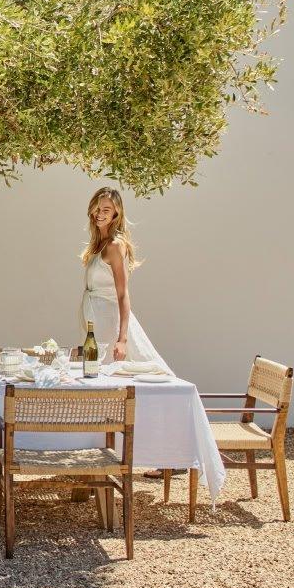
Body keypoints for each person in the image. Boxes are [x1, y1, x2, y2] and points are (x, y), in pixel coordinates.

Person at [79, 186, 179, 478]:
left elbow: (123, 294)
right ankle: (106, 453)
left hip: (113, 327)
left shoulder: (115, 246)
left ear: (117, 213)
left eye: (106, 209)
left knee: (139, 384)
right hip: (98, 327)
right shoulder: (98, 244)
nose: (100, 213)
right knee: (108, 391)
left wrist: (122, 338)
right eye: (97, 207)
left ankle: (169, 453)